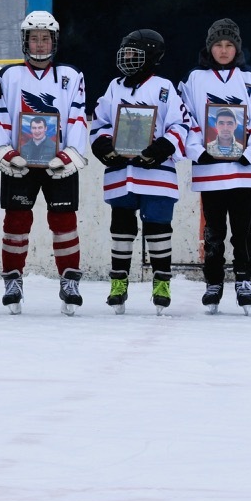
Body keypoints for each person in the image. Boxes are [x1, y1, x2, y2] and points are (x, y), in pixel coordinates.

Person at [0, 11, 89, 315]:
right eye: (34, 38)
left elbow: (77, 116)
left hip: (59, 161)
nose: (40, 44)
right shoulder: (9, 75)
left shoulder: (72, 75)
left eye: (46, 38)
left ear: (54, 41)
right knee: (16, 222)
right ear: (25, 40)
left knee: (64, 222)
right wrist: (5, 151)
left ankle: (69, 280)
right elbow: (0, 117)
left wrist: (70, 154)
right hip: (20, 162)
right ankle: (13, 281)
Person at [90, 29, 191, 314]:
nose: (128, 58)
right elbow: (100, 122)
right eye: (126, 52)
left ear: (152, 56)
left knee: (159, 228)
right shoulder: (114, 87)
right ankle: (118, 283)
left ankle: (161, 282)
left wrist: (161, 148)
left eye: (135, 52)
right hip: (122, 173)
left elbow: (180, 125)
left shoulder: (164, 87)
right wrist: (103, 146)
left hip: (157, 174)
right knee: (121, 228)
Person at [179, 18, 251, 313]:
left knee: (243, 229)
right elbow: (186, 118)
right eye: (218, 45)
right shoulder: (194, 78)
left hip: (244, 170)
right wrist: (199, 151)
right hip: (211, 172)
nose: (223, 50)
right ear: (209, 48)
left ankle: (244, 279)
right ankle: (214, 281)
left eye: (229, 45)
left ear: (237, 48)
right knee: (214, 230)